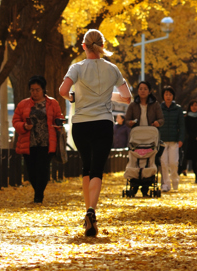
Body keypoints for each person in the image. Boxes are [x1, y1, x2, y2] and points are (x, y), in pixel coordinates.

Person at [60, 29, 132, 236]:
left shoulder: (77, 68)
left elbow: (62, 91)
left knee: (86, 165)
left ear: (84, 46)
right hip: (103, 123)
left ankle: (87, 211)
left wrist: (73, 98)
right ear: (102, 46)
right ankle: (92, 210)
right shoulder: (112, 69)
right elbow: (127, 97)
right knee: (97, 168)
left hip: (81, 124)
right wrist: (108, 96)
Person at [13, 76, 63, 205]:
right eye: (32, 90)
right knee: (31, 170)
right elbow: (15, 121)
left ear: (43, 89)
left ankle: (38, 195)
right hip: (29, 142)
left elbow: (59, 116)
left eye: (37, 90)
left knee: (43, 168)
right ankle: (37, 191)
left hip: (47, 142)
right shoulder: (23, 104)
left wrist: (59, 123)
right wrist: (24, 126)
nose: (34, 92)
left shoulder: (52, 103)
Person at [159, 86, 185, 192]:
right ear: (163, 96)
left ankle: (175, 180)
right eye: (166, 94)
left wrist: (181, 139)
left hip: (174, 140)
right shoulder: (159, 107)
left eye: (170, 94)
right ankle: (166, 184)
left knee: (174, 162)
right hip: (162, 140)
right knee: (163, 163)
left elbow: (182, 125)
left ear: (173, 96)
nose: (168, 96)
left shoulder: (178, 109)